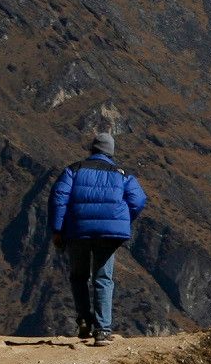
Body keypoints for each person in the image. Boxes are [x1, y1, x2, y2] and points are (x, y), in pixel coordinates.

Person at [48, 132, 147, 346]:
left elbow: (58, 196)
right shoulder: (121, 174)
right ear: (110, 152)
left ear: (92, 149)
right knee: (103, 278)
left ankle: (84, 319)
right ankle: (102, 330)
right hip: (108, 233)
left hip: (78, 230)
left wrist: (57, 229)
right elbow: (138, 199)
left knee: (79, 276)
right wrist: (120, 219)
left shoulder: (74, 170)